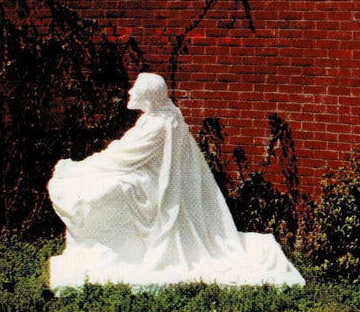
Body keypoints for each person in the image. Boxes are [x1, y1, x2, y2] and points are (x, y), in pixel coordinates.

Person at [48, 72, 305, 290]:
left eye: (135, 89)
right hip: (144, 173)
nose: (130, 92)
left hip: (152, 184)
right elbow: (124, 153)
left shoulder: (159, 124)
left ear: (148, 96)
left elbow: (122, 157)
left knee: (102, 189)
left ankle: (108, 252)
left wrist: (81, 167)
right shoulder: (158, 116)